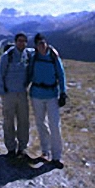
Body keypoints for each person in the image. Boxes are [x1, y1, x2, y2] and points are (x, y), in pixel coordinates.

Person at [28, 33, 67, 169]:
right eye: (39, 44)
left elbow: (61, 74)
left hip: (51, 95)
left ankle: (57, 157)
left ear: (46, 43)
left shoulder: (53, 56)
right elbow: (28, 72)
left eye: (43, 43)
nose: (42, 46)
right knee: (40, 124)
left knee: (54, 125)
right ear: (36, 46)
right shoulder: (33, 57)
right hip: (36, 95)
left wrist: (63, 93)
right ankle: (45, 152)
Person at [0, 33, 33, 158]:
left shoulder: (28, 54)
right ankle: (11, 148)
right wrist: (2, 92)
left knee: (24, 121)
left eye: (24, 41)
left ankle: (22, 148)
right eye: (19, 41)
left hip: (22, 93)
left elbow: (39, 51)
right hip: (9, 94)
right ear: (15, 42)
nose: (22, 43)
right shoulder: (8, 56)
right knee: (8, 121)